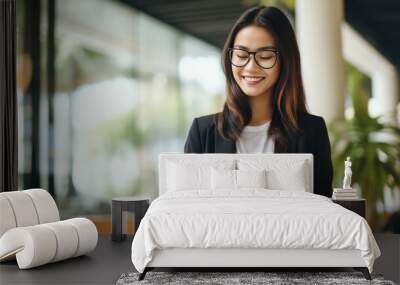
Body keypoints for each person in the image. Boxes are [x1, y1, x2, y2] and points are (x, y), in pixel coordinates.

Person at [183, 5, 333, 198]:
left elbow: (323, 213)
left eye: (265, 56)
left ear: (285, 62)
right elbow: (186, 209)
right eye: (241, 55)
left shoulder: (312, 131)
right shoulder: (202, 132)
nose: (251, 67)